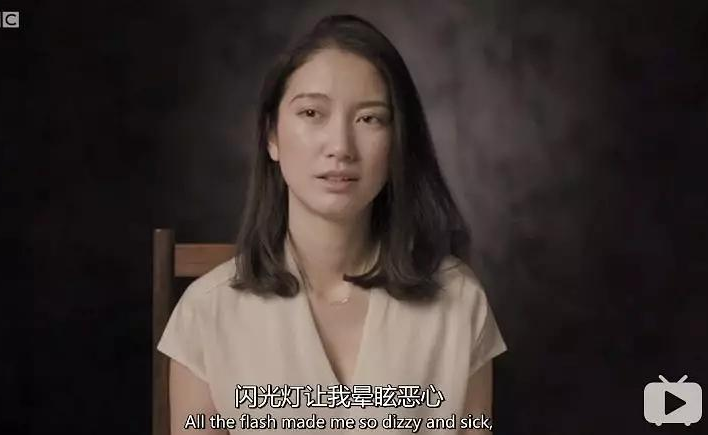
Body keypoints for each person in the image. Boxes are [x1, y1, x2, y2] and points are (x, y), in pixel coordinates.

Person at [157, 14, 507, 434]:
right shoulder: (206, 313)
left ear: (398, 140)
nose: (340, 147)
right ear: (271, 136)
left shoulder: (459, 303)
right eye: (312, 113)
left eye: (370, 118)